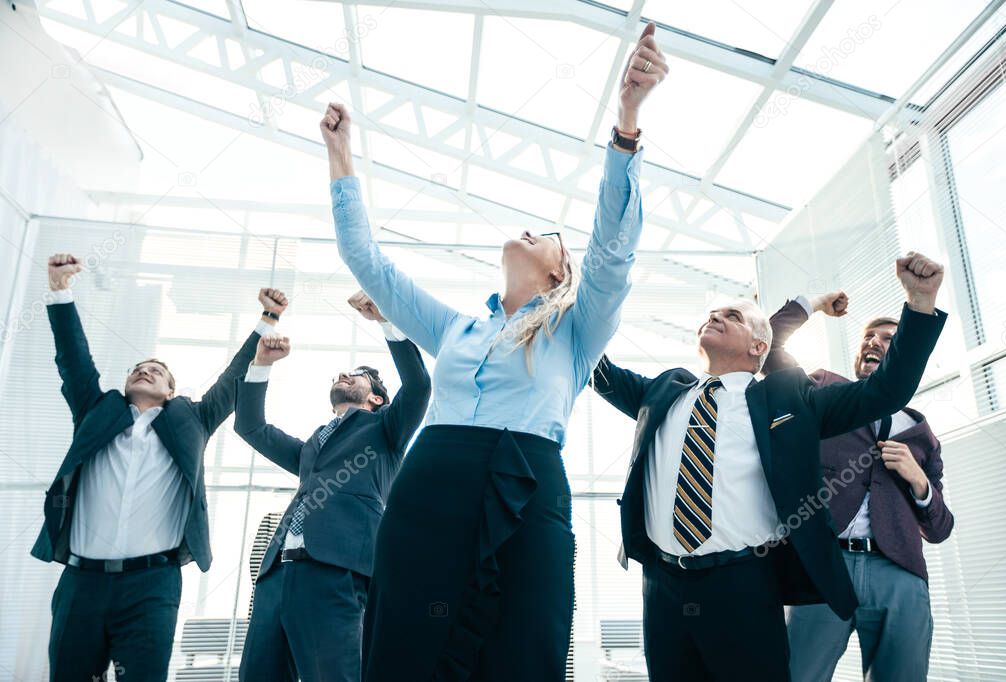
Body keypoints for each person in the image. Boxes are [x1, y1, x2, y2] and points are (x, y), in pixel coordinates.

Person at [321, 22, 667, 681]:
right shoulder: (453, 328)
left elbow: (613, 251)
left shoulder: (577, 330)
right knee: (406, 642)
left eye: (547, 236)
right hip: (430, 481)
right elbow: (367, 261)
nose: (529, 230)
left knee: (524, 637)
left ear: (559, 273)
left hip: (528, 481)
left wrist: (626, 121)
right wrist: (340, 156)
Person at [590, 253, 947, 681]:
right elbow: (594, 367)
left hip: (746, 583)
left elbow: (887, 388)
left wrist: (920, 302)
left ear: (759, 348)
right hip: (662, 586)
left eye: (732, 315)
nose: (715, 317)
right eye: (711, 313)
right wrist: (566, 307)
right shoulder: (665, 390)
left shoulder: (791, 401)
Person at [35, 253, 286, 681]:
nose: (146, 370)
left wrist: (268, 319)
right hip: (82, 582)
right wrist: (61, 289)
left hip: (151, 586)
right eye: (138, 368)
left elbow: (231, 381)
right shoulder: (96, 411)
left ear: (171, 393)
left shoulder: (193, 420)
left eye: (157, 371)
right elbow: (73, 359)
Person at [235, 290, 430, 682]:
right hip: (277, 575)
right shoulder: (312, 447)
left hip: (337, 570)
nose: (342, 375)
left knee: (334, 675)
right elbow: (250, 427)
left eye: (355, 376)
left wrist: (385, 320)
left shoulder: (387, 430)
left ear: (376, 397)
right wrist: (260, 365)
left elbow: (419, 385)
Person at [764, 291, 954, 682]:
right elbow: (767, 348)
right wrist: (812, 304)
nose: (874, 342)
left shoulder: (923, 435)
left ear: (908, 355)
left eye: (888, 339)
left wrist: (919, 482)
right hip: (822, 569)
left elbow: (940, 528)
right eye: (870, 337)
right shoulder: (821, 391)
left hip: (899, 573)